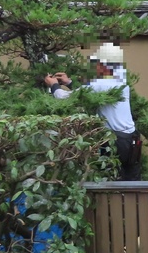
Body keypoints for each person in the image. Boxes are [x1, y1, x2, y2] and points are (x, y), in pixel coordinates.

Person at [44, 43, 142, 181]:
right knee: (132, 183)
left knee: (108, 181)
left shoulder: (100, 84)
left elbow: (63, 98)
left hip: (114, 141)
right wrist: (69, 83)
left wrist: (53, 84)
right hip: (132, 139)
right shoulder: (120, 80)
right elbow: (92, 93)